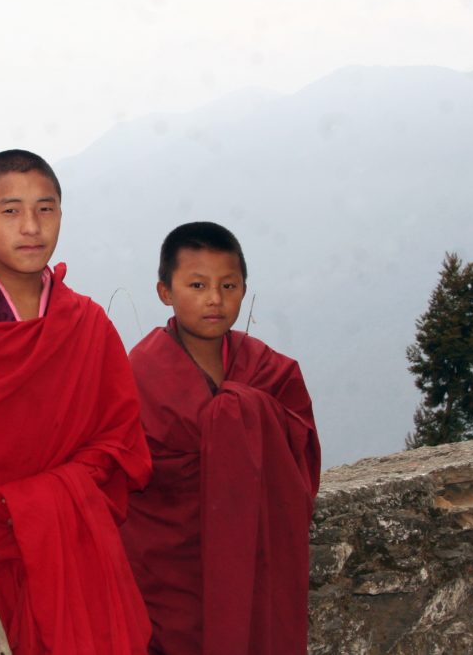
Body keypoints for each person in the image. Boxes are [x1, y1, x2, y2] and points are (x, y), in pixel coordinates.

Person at [0, 150, 153, 654]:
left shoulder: (86, 326)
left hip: (70, 548)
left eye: (46, 209)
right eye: (10, 210)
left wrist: (46, 501)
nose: (31, 227)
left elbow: (122, 440)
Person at [120, 222, 321, 655]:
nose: (215, 298)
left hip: (254, 565)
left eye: (228, 285)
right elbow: (123, 481)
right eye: (197, 285)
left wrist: (239, 415)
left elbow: (299, 455)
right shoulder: (138, 378)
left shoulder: (268, 370)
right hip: (170, 581)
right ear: (165, 292)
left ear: (244, 289)